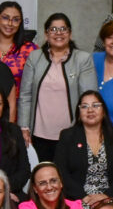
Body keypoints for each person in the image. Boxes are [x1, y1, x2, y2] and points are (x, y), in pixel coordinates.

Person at [18, 12, 96, 164]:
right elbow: (25, 95)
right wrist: (23, 127)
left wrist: (85, 130)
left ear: (70, 33)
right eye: (53, 29)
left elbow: (89, 99)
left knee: (67, 180)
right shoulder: (34, 58)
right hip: (39, 135)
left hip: (71, 134)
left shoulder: (83, 59)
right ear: (46, 34)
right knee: (42, 179)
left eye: (63, 29)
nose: (58, 33)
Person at [55, 90, 113, 209]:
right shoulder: (67, 136)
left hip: (109, 197)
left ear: (104, 111)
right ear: (79, 113)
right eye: (84, 106)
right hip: (78, 199)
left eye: (95, 105)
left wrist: (106, 196)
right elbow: (60, 172)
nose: (90, 110)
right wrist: (83, 197)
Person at [0, 0, 38, 106]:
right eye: (5, 18)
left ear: (20, 23)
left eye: (15, 20)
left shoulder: (30, 49)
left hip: (18, 111)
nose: (10, 23)